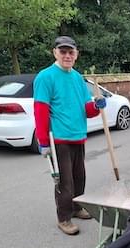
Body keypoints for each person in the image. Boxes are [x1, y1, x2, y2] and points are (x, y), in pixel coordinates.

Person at [33, 36, 106, 235]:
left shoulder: (77, 78)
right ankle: (64, 218)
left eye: (70, 52)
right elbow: (40, 110)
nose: (67, 55)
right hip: (58, 139)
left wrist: (97, 106)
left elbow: (87, 110)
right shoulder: (45, 77)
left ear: (76, 54)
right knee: (65, 181)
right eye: (62, 51)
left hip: (78, 136)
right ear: (55, 52)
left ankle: (76, 207)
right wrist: (43, 142)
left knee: (79, 177)